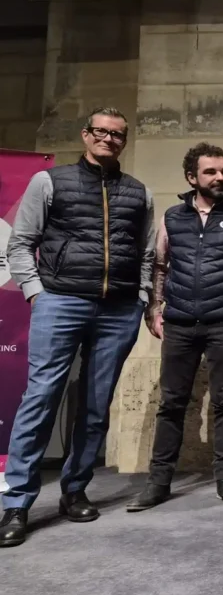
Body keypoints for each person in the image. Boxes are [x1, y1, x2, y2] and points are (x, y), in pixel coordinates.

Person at [0, 107, 155, 548]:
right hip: (61, 301)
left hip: (119, 309)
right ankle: (17, 503)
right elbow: (21, 242)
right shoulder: (49, 182)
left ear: (124, 141)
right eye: (101, 132)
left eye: (117, 135)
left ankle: (74, 489)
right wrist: (36, 292)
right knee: (41, 397)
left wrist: (142, 297)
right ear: (86, 135)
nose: (109, 139)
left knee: (94, 403)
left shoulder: (138, 192)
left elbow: (145, 252)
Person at [126, 143, 223, 511]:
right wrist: (154, 309)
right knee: (172, 404)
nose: (220, 178)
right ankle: (158, 482)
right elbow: (159, 266)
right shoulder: (172, 217)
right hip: (179, 324)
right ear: (191, 177)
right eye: (211, 172)